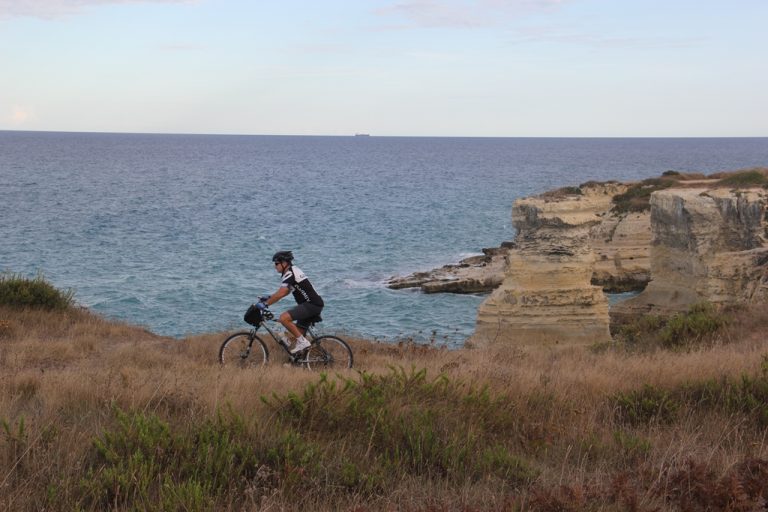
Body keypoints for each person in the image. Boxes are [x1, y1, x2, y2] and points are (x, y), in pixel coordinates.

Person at [257, 251, 324, 354]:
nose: (275, 266)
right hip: (310, 304)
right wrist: (269, 297)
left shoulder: (290, 273)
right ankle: (297, 361)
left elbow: (282, 292)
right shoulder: (292, 271)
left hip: (311, 304)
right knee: (295, 340)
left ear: (284, 263)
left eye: (276, 263)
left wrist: (266, 304)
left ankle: (303, 343)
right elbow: (286, 291)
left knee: (283, 318)